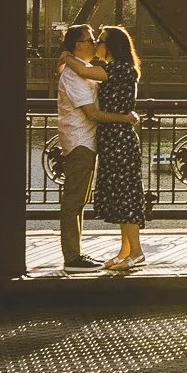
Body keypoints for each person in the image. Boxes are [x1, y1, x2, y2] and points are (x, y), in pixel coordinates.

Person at [60, 24, 147, 270]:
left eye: (100, 40)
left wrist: (66, 56)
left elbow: (83, 73)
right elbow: (82, 73)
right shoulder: (108, 69)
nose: (96, 43)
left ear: (111, 47)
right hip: (107, 140)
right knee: (120, 196)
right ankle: (124, 252)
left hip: (118, 140)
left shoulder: (117, 69)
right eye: (92, 39)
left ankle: (136, 253)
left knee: (125, 195)